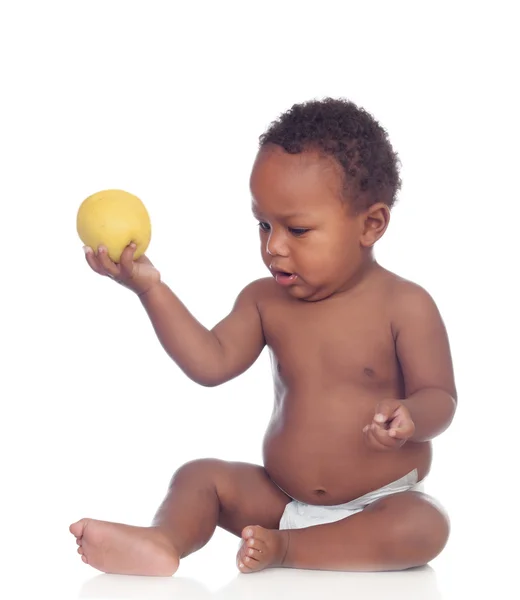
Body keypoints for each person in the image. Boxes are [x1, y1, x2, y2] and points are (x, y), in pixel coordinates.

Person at [70, 97, 457, 576]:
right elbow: (209, 364)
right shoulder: (264, 301)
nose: (273, 246)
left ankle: (287, 551)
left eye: (297, 229)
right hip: (280, 501)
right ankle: (163, 541)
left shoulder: (405, 305)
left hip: (377, 506)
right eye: (264, 224)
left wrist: (411, 418)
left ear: (371, 224)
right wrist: (151, 290)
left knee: (424, 526)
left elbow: (440, 397)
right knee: (200, 476)